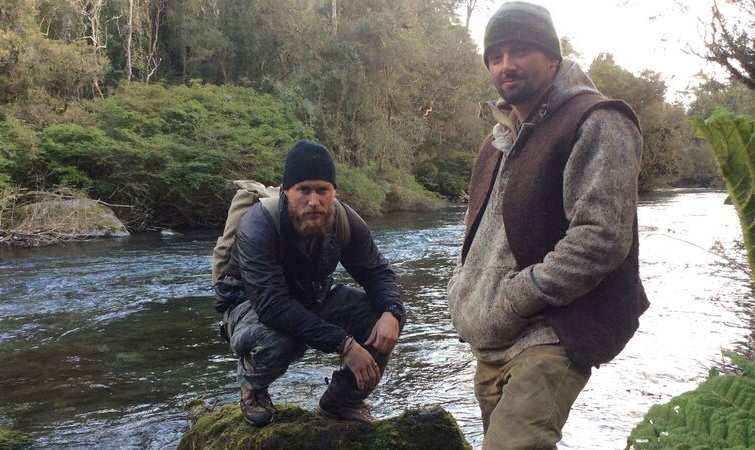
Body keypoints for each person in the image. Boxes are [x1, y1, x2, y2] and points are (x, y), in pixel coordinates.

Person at [447, 2, 649, 448]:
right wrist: (461, 290)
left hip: (552, 333)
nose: (506, 65)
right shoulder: (497, 140)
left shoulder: (598, 120)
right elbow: (474, 233)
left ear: (553, 58)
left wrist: (516, 297)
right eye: (496, 56)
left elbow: (601, 237)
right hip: (492, 339)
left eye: (520, 51)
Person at [216, 140, 405, 427]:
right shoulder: (257, 226)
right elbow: (271, 306)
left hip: (309, 294)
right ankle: (253, 388)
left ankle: (340, 401)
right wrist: (344, 344)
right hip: (250, 304)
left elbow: (377, 272)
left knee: (381, 321)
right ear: (285, 192)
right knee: (282, 340)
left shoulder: (345, 221)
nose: (314, 201)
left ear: (334, 192)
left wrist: (392, 311)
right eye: (303, 190)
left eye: (322, 190)